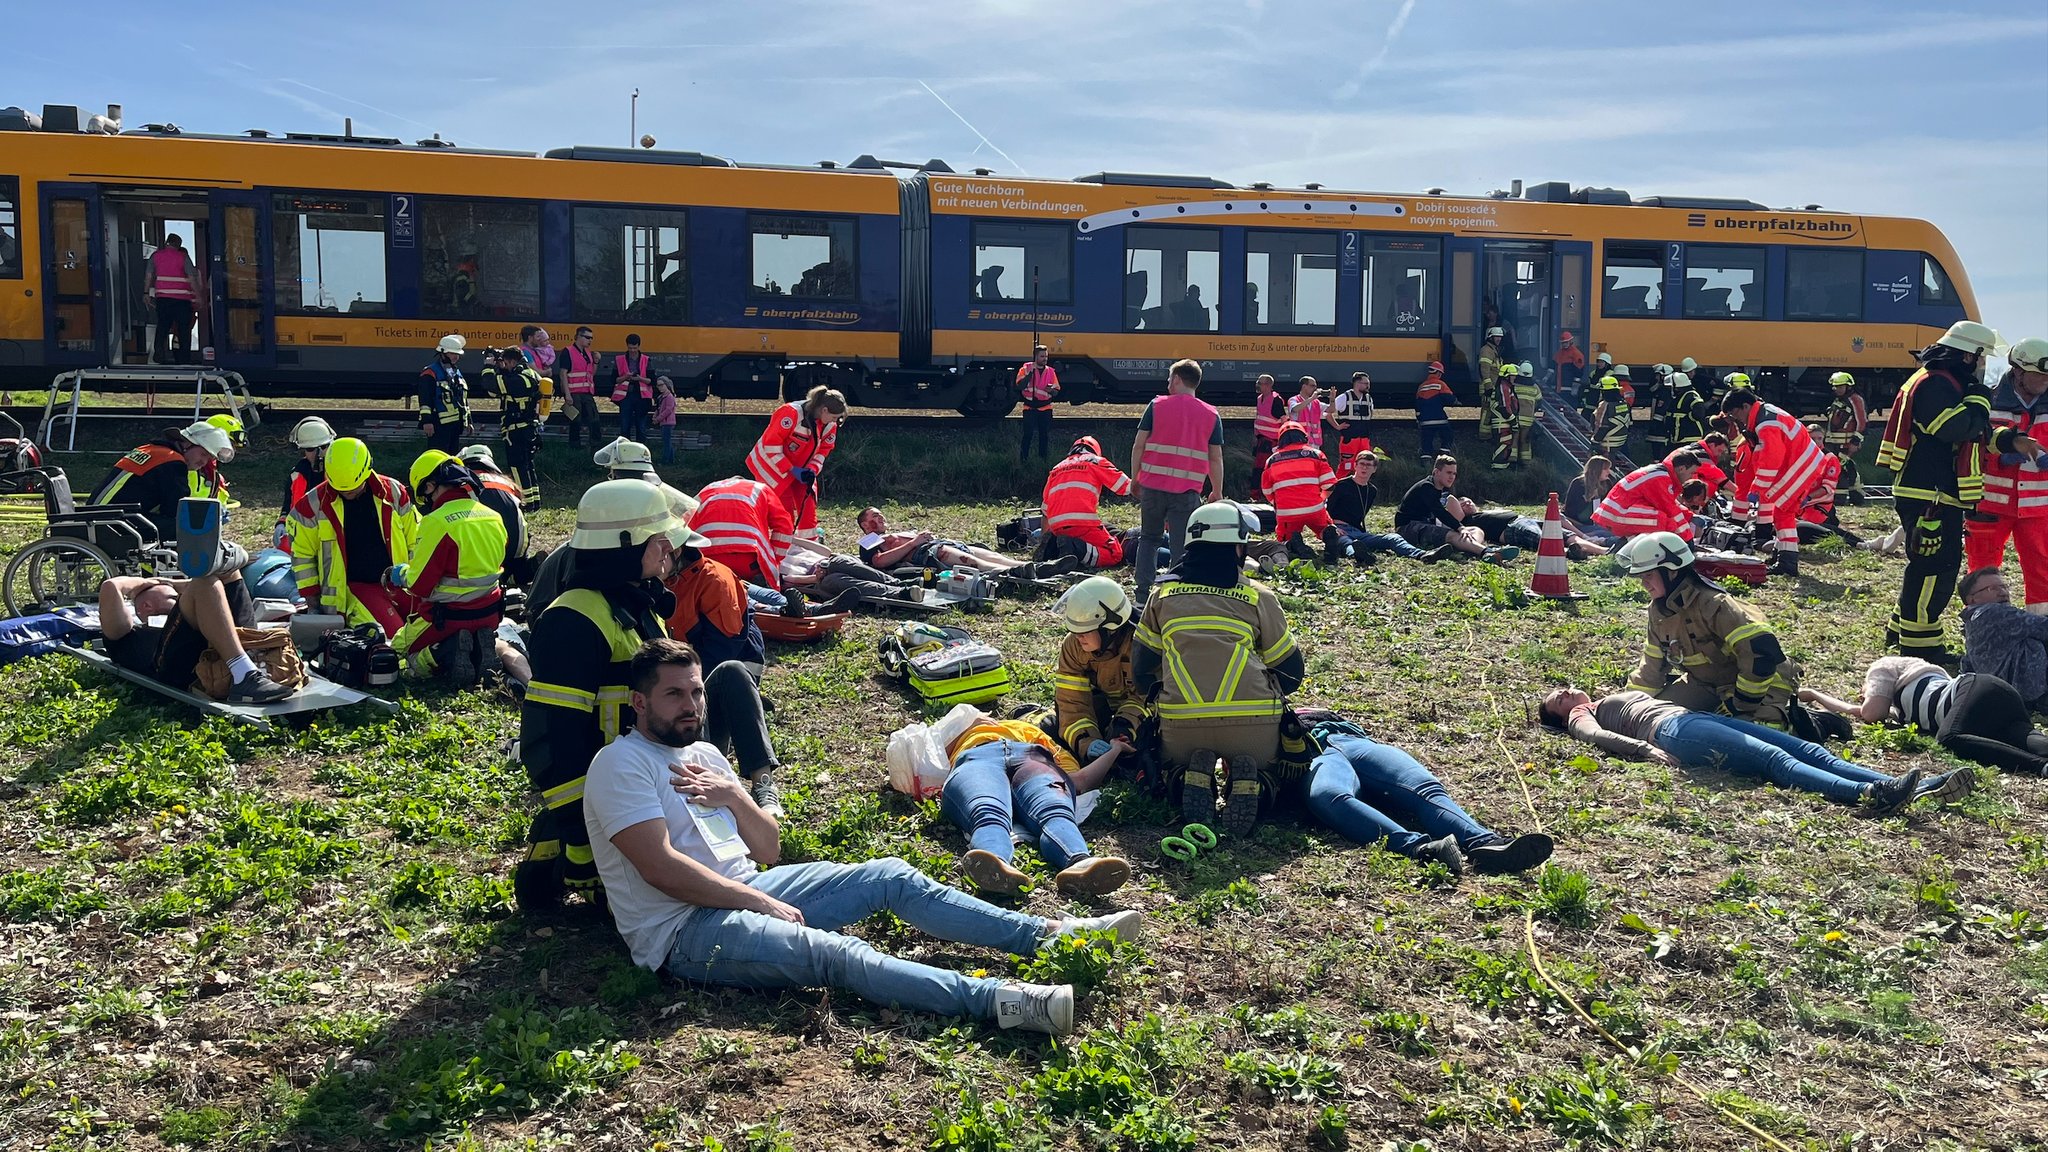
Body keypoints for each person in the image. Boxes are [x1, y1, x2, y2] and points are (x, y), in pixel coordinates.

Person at [582, 639, 1144, 1036]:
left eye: (697, 693)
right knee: (837, 954)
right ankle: (1006, 1003)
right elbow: (658, 868)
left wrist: (734, 795)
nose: (692, 707)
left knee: (891, 876)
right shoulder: (620, 765)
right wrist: (757, 901)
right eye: (675, 696)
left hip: (754, 883)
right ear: (639, 703)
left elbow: (769, 850)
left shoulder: (704, 754)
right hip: (680, 931)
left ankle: (1052, 936)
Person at [518, 481, 682, 908]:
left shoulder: (635, 604)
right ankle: (552, 847)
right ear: (624, 545)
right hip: (604, 803)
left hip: (642, 788)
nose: (668, 547)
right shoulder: (573, 619)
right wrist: (581, 840)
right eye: (657, 539)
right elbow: (554, 738)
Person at [1134, 501, 1304, 834]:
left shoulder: (1161, 596)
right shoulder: (1258, 597)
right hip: (1253, 725)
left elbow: (1141, 671)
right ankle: (1258, 784)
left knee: (1169, 774)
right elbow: (1291, 674)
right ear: (1238, 547)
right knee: (1277, 778)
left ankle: (1184, 779)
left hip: (1182, 725)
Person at [1540, 688, 1927, 815]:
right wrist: (1642, 750)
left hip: (1692, 717)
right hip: (1674, 731)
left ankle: (1911, 787)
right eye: (1555, 699)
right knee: (1776, 760)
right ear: (1560, 715)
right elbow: (1594, 738)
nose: (1563, 693)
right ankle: (1868, 795)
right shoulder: (1581, 713)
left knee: (1808, 748)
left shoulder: (1608, 695)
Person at [1876, 320, 2001, 660]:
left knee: (1926, 562)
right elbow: (1954, 428)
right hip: (1929, 493)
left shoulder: (1938, 381)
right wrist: (1979, 401)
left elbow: (1975, 433)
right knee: (1936, 567)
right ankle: (1921, 645)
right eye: (1981, 358)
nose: (1982, 366)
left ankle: (1901, 626)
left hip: (1930, 490)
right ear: (1967, 356)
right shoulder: (1936, 384)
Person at [1301, 718, 1555, 874]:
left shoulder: (1287, 697)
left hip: (1352, 740)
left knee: (1424, 788)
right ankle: (1423, 849)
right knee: (1327, 795)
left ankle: (1486, 843)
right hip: (1308, 755)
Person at [1615, 532, 1801, 729]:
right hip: (1706, 683)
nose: (1644, 583)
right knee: (1655, 720)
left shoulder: (1713, 603)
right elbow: (1651, 668)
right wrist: (1628, 706)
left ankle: (1814, 721)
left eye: (1649, 575)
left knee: (1749, 733)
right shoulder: (1659, 611)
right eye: (1641, 576)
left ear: (1672, 571)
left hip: (1762, 684)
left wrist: (1738, 705)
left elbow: (1761, 654)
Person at [941, 711, 1132, 896]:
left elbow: (1080, 780)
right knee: (989, 811)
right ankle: (993, 865)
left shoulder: (1044, 740)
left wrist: (1115, 749)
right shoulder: (972, 730)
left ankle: (1081, 863)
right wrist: (967, 725)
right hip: (979, 756)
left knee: (1054, 810)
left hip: (1029, 756)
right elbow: (932, 754)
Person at [1800, 654, 2044, 778]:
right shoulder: (1901, 706)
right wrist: (1814, 695)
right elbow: (1862, 712)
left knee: (1949, 738)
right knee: (2024, 737)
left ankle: (2042, 767)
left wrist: (1868, 694)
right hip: (1988, 700)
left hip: (1972, 688)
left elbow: (1871, 714)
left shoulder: (1883, 667)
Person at [390, 451, 507, 685]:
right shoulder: (493, 517)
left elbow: (420, 585)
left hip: (447, 616)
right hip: (489, 614)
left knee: (402, 653)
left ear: (431, 485)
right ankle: (476, 651)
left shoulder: (436, 521)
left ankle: (447, 652)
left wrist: (400, 574)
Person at [97, 568, 294, 703]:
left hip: (215, 646)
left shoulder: (202, 614)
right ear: (147, 606)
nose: (179, 596)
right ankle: (245, 676)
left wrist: (171, 583)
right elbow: (111, 587)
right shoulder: (127, 635)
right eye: (173, 596)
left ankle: (248, 662)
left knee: (227, 572)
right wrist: (148, 582)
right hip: (174, 668)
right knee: (204, 582)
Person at [288, 438, 420, 635]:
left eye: (353, 487)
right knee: (393, 635)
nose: (347, 491)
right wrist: (312, 602)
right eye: (342, 489)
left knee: (428, 627)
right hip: (355, 589)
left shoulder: (394, 492)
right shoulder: (310, 506)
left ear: (367, 470)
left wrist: (419, 580)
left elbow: (415, 540)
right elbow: (302, 557)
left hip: (400, 583)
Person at [1131, 359, 1225, 607]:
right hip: (1187, 491)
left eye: (1169, 378)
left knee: (1149, 539)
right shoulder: (1211, 413)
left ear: (1176, 379)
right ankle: (1174, 595)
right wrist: (1217, 490)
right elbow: (1215, 457)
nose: (1167, 383)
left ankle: (1142, 596)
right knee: (1180, 546)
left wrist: (1135, 477)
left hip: (1152, 486)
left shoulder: (1156, 405)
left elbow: (1139, 444)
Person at [1965, 335, 2048, 611]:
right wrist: (2002, 453)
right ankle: (1984, 627)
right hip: (1990, 505)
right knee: (1982, 572)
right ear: (2019, 372)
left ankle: (2042, 629)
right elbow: (1970, 447)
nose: (2046, 380)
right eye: (2041, 375)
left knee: (2042, 573)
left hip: (2038, 509)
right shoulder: (1987, 402)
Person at [1720, 387, 1828, 576]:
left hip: (1800, 466)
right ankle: (1783, 555)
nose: (1735, 419)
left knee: (1783, 513)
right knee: (1782, 512)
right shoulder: (1766, 415)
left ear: (1745, 406)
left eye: (1734, 413)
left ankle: (1787, 562)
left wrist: (1757, 487)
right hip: (1802, 464)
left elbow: (1771, 459)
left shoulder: (1766, 424)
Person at [1051, 577, 1153, 764]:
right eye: (1075, 630)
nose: (1078, 637)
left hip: (1139, 712)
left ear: (1110, 629)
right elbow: (1071, 701)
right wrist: (1087, 741)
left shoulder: (1142, 645)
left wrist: (1124, 727)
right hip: (1101, 708)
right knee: (1053, 726)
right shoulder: (1073, 646)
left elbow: (1147, 699)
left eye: (1085, 630)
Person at [92, 421, 236, 541]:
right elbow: (176, 508)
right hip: (116, 522)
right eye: (203, 454)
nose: (203, 462)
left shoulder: (150, 449)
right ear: (187, 444)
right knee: (189, 529)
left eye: (209, 459)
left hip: (96, 516)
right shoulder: (173, 462)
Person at [747, 385, 847, 552]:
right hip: (772, 468)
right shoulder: (790, 413)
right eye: (834, 417)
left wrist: (812, 470)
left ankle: (809, 550)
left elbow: (824, 450)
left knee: (808, 509)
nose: (835, 421)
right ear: (823, 410)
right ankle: (781, 552)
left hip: (801, 469)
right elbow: (771, 445)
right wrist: (791, 469)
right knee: (783, 514)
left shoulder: (830, 424)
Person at [855, 507, 1072, 578]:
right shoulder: (870, 540)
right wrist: (914, 543)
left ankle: (1034, 568)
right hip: (928, 553)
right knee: (977, 564)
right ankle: (1030, 572)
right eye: (873, 517)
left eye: (880, 514)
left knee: (993, 556)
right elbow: (880, 561)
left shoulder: (895, 532)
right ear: (865, 525)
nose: (880, 518)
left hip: (941, 544)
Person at [1325, 444, 1447, 565]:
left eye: (1369, 465)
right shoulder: (1341, 485)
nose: (1365, 468)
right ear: (1355, 465)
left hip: (1358, 532)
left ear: (1374, 469)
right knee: (1345, 542)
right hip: (1338, 528)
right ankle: (1357, 555)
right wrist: (1333, 527)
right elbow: (1326, 509)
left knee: (1393, 538)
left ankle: (1422, 554)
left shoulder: (1372, 490)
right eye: (1362, 464)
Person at [1395, 456, 1517, 563]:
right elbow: (1440, 512)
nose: (1452, 477)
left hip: (1426, 525)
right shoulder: (1426, 487)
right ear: (1436, 472)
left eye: (1454, 474)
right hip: (1408, 527)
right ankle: (1486, 552)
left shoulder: (1440, 489)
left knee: (1476, 530)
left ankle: (1469, 549)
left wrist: (1461, 528)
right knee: (1453, 535)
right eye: (1448, 473)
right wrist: (1460, 527)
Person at [1960, 567, 2048, 713]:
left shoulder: (1971, 622)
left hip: (2006, 694)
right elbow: (2043, 627)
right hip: (2029, 693)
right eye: (1991, 588)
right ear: (1972, 599)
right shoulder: (1993, 612)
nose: (2002, 592)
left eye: (2003, 586)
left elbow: (1967, 664)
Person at [1261, 422, 1348, 564]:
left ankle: (1293, 543)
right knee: (1323, 527)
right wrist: (1320, 499)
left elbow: (1267, 491)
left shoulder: (1271, 460)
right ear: (1303, 436)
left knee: (1284, 538)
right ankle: (1327, 535)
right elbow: (1330, 484)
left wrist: (1279, 504)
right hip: (1314, 508)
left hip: (1287, 512)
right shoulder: (1316, 454)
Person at [691, 476, 796, 590]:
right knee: (754, 591)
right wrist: (773, 559)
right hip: (749, 560)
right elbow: (784, 527)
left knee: (720, 591)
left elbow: (685, 528)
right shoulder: (760, 489)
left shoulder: (704, 492)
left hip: (711, 561)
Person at [1042, 435, 1132, 569]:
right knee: (1115, 554)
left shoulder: (1056, 469)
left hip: (1057, 527)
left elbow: (1045, 512)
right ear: (1095, 451)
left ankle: (1055, 549)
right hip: (1082, 523)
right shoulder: (1096, 461)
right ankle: (1075, 548)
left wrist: (1045, 539)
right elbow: (1126, 487)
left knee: (1073, 540)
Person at [456, 445, 533, 582]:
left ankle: (505, 575)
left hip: (489, 552)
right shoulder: (508, 483)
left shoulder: (462, 484)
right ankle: (522, 570)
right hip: (517, 548)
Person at [483, 345, 545, 510]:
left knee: (518, 467)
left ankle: (524, 502)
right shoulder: (530, 374)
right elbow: (498, 391)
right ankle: (534, 502)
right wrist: (503, 369)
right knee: (528, 465)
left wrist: (489, 365)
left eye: (507, 362)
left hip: (517, 429)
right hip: (528, 428)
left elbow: (489, 384)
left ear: (512, 361)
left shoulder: (519, 379)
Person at [1593, 450, 1701, 542]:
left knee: (1662, 520)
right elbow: (1670, 510)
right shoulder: (1661, 478)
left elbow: (1671, 504)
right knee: (1662, 520)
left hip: (1616, 512)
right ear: (1681, 469)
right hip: (1617, 514)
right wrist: (1687, 540)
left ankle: (1621, 545)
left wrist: (1690, 517)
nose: (1691, 477)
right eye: (1691, 473)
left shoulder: (1662, 474)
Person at [274, 417, 336, 548]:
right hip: (305, 533)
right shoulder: (298, 474)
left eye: (323, 447)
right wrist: (281, 523)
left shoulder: (340, 470)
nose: (316, 454)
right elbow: (289, 505)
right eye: (309, 449)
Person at [1467, 506, 1610, 561]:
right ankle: (1568, 553)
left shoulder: (1487, 510)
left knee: (1564, 534)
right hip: (1511, 528)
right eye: (1463, 503)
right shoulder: (1469, 520)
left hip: (1525, 519)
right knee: (1540, 537)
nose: (1467, 503)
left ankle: (1604, 551)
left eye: (1468, 501)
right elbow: (1452, 503)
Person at [145, 233, 198, 365]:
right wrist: (198, 296)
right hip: (182, 300)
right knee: (183, 329)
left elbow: (148, 276)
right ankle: (184, 359)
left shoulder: (156, 256)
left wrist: (146, 293)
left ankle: (159, 353)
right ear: (179, 245)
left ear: (166, 242)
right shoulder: (183, 257)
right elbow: (192, 278)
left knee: (162, 326)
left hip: (163, 298)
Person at [418, 335, 469, 453]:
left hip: (455, 426)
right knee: (438, 458)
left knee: (452, 460)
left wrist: (467, 421)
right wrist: (427, 421)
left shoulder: (456, 372)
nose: (456, 357)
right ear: (442, 353)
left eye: (457, 354)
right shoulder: (430, 373)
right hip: (438, 425)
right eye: (452, 353)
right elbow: (425, 400)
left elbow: (462, 399)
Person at [557, 326, 605, 448]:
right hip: (574, 392)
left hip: (587, 392)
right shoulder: (568, 351)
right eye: (587, 337)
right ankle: (575, 447)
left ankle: (595, 446)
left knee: (594, 419)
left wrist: (596, 362)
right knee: (575, 421)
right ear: (578, 337)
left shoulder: (588, 353)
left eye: (591, 338)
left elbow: (591, 373)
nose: (590, 340)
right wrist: (567, 395)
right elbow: (563, 374)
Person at [1016, 344, 1061, 462]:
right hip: (1029, 408)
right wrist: (1029, 375)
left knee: (1044, 435)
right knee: (1027, 435)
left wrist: (1051, 390)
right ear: (1035, 357)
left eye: (1046, 356)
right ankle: (1023, 459)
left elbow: (1056, 391)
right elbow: (1019, 385)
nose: (1045, 359)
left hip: (1045, 408)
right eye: (1042, 356)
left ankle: (1043, 459)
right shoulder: (1025, 368)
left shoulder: (1051, 372)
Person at [1563, 456, 1617, 545]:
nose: (1608, 471)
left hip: (1598, 523)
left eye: (1609, 469)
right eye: (1605, 469)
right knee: (1604, 533)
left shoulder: (1607, 483)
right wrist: (1586, 499)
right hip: (1579, 523)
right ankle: (1586, 537)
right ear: (1596, 470)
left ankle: (1591, 536)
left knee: (1613, 532)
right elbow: (1569, 510)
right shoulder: (1578, 483)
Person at [611, 334, 655, 444]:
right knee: (625, 426)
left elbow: (652, 380)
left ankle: (640, 449)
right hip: (625, 396)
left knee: (641, 426)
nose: (632, 350)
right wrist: (626, 376)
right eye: (630, 348)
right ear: (627, 346)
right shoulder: (619, 360)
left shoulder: (646, 360)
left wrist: (640, 378)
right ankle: (625, 449)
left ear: (639, 346)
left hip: (642, 397)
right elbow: (613, 380)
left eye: (635, 348)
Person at [1330, 372, 1375, 470]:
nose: (1368, 386)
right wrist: (1337, 426)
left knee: (1364, 467)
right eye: (1366, 384)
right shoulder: (1344, 397)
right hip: (1349, 439)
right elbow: (1328, 412)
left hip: (1364, 439)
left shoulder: (1368, 399)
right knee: (1346, 467)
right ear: (1357, 383)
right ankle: (1341, 484)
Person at [1249, 373, 1286, 489]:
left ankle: (1263, 492)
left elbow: (1283, 420)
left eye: (1260, 383)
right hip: (1261, 440)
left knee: (1264, 469)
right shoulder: (1260, 399)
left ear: (1268, 385)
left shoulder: (1276, 400)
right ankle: (1258, 492)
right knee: (1259, 468)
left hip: (1271, 442)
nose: (1257, 385)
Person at [1414, 360, 1454, 464]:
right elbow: (1449, 398)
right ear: (1439, 373)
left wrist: (1419, 419)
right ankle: (1443, 457)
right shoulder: (1441, 384)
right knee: (1447, 436)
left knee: (1426, 441)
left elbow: (1417, 407)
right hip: (1440, 420)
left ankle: (1425, 460)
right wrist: (1456, 401)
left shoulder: (1421, 387)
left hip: (1425, 421)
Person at [1478, 327, 1507, 466]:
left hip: (1493, 387)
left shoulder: (1494, 351)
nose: (1499, 339)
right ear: (1490, 337)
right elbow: (1484, 370)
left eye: (1500, 337)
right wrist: (1488, 387)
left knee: (1490, 411)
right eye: (1496, 337)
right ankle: (1483, 436)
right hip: (1488, 388)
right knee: (1486, 412)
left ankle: (1487, 435)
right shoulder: (1486, 350)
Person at [1590, 372, 1632, 458]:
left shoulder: (1605, 405)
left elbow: (1602, 426)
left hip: (1608, 443)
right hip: (1621, 441)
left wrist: (1594, 441)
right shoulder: (1623, 403)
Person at [1823, 371, 1867, 453]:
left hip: (1845, 446)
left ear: (1848, 387)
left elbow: (1862, 423)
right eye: (1835, 387)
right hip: (1831, 446)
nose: (1837, 389)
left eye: (1840, 387)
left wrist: (1855, 442)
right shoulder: (1838, 400)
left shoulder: (1855, 399)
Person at [1668, 366, 1708, 447]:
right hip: (1680, 438)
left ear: (1677, 387)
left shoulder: (1691, 395)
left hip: (1690, 438)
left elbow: (1699, 412)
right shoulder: (1681, 396)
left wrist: (1686, 420)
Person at [1287, 377, 1327, 452]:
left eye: (1315, 386)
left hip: (1314, 443)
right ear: (1304, 386)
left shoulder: (1316, 402)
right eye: (1312, 386)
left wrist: (1332, 399)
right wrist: (1311, 398)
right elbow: (1295, 409)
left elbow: (1331, 410)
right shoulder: (1294, 400)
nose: (1315, 389)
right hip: (1299, 440)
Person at [655, 377, 679, 465]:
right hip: (664, 422)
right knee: (667, 442)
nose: (660, 387)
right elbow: (659, 408)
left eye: (661, 385)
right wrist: (655, 415)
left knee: (666, 443)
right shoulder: (662, 397)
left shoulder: (669, 397)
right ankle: (671, 461)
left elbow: (668, 410)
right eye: (658, 386)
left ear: (667, 385)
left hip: (668, 422)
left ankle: (665, 461)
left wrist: (658, 418)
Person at [1556, 331, 1587, 399]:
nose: (1564, 344)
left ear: (1570, 341)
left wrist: (1575, 386)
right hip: (1560, 387)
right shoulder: (1559, 353)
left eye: (1566, 342)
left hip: (1569, 387)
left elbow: (1579, 372)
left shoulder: (1576, 354)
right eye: (1563, 342)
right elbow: (1554, 366)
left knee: (1570, 405)